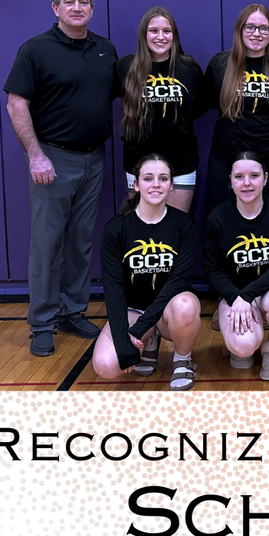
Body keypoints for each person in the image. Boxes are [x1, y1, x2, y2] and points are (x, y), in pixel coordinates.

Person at [4, 0, 117, 357]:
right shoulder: (36, 49)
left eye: (84, 2)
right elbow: (16, 104)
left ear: (92, 9)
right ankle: (42, 322)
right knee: (47, 243)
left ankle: (72, 311)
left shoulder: (105, 49)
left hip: (94, 157)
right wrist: (36, 155)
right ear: (56, 8)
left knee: (80, 241)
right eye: (69, 2)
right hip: (52, 158)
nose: (77, 8)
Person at [92, 153, 201, 389]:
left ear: (171, 185)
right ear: (136, 184)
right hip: (134, 310)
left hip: (168, 311)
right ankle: (148, 342)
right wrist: (123, 343)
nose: (156, 185)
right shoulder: (116, 229)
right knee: (106, 365)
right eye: (148, 178)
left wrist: (140, 328)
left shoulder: (185, 226)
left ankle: (182, 360)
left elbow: (178, 281)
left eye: (163, 179)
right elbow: (113, 290)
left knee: (185, 304)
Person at [203, 152, 269, 380]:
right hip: (234, 295)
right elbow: (213, 269)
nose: (247, 183)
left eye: (254, 175)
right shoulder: (217, 218)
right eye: (239, 176)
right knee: (243, 347)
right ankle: (243, 339)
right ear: (230, 180)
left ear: (265, 179)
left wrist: (247, 296)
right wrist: (236, 297)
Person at [204, 4, 269, 209]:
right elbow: (204, 102)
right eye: (250, 27)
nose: (257, 33)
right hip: (226, 155)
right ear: (240, 30)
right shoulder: (220, 65)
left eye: (263, 28)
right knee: (224, 219)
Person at [118, 6, 205, 214]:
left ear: (174, 35)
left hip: (181, 164)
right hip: (138, 163)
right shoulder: (126, 67)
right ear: (143, 34)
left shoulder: (189, 67)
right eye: (153, 31)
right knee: (144, 232)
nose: (160, 37)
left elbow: (202, 104)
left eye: (167, 31)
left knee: (175, 230)